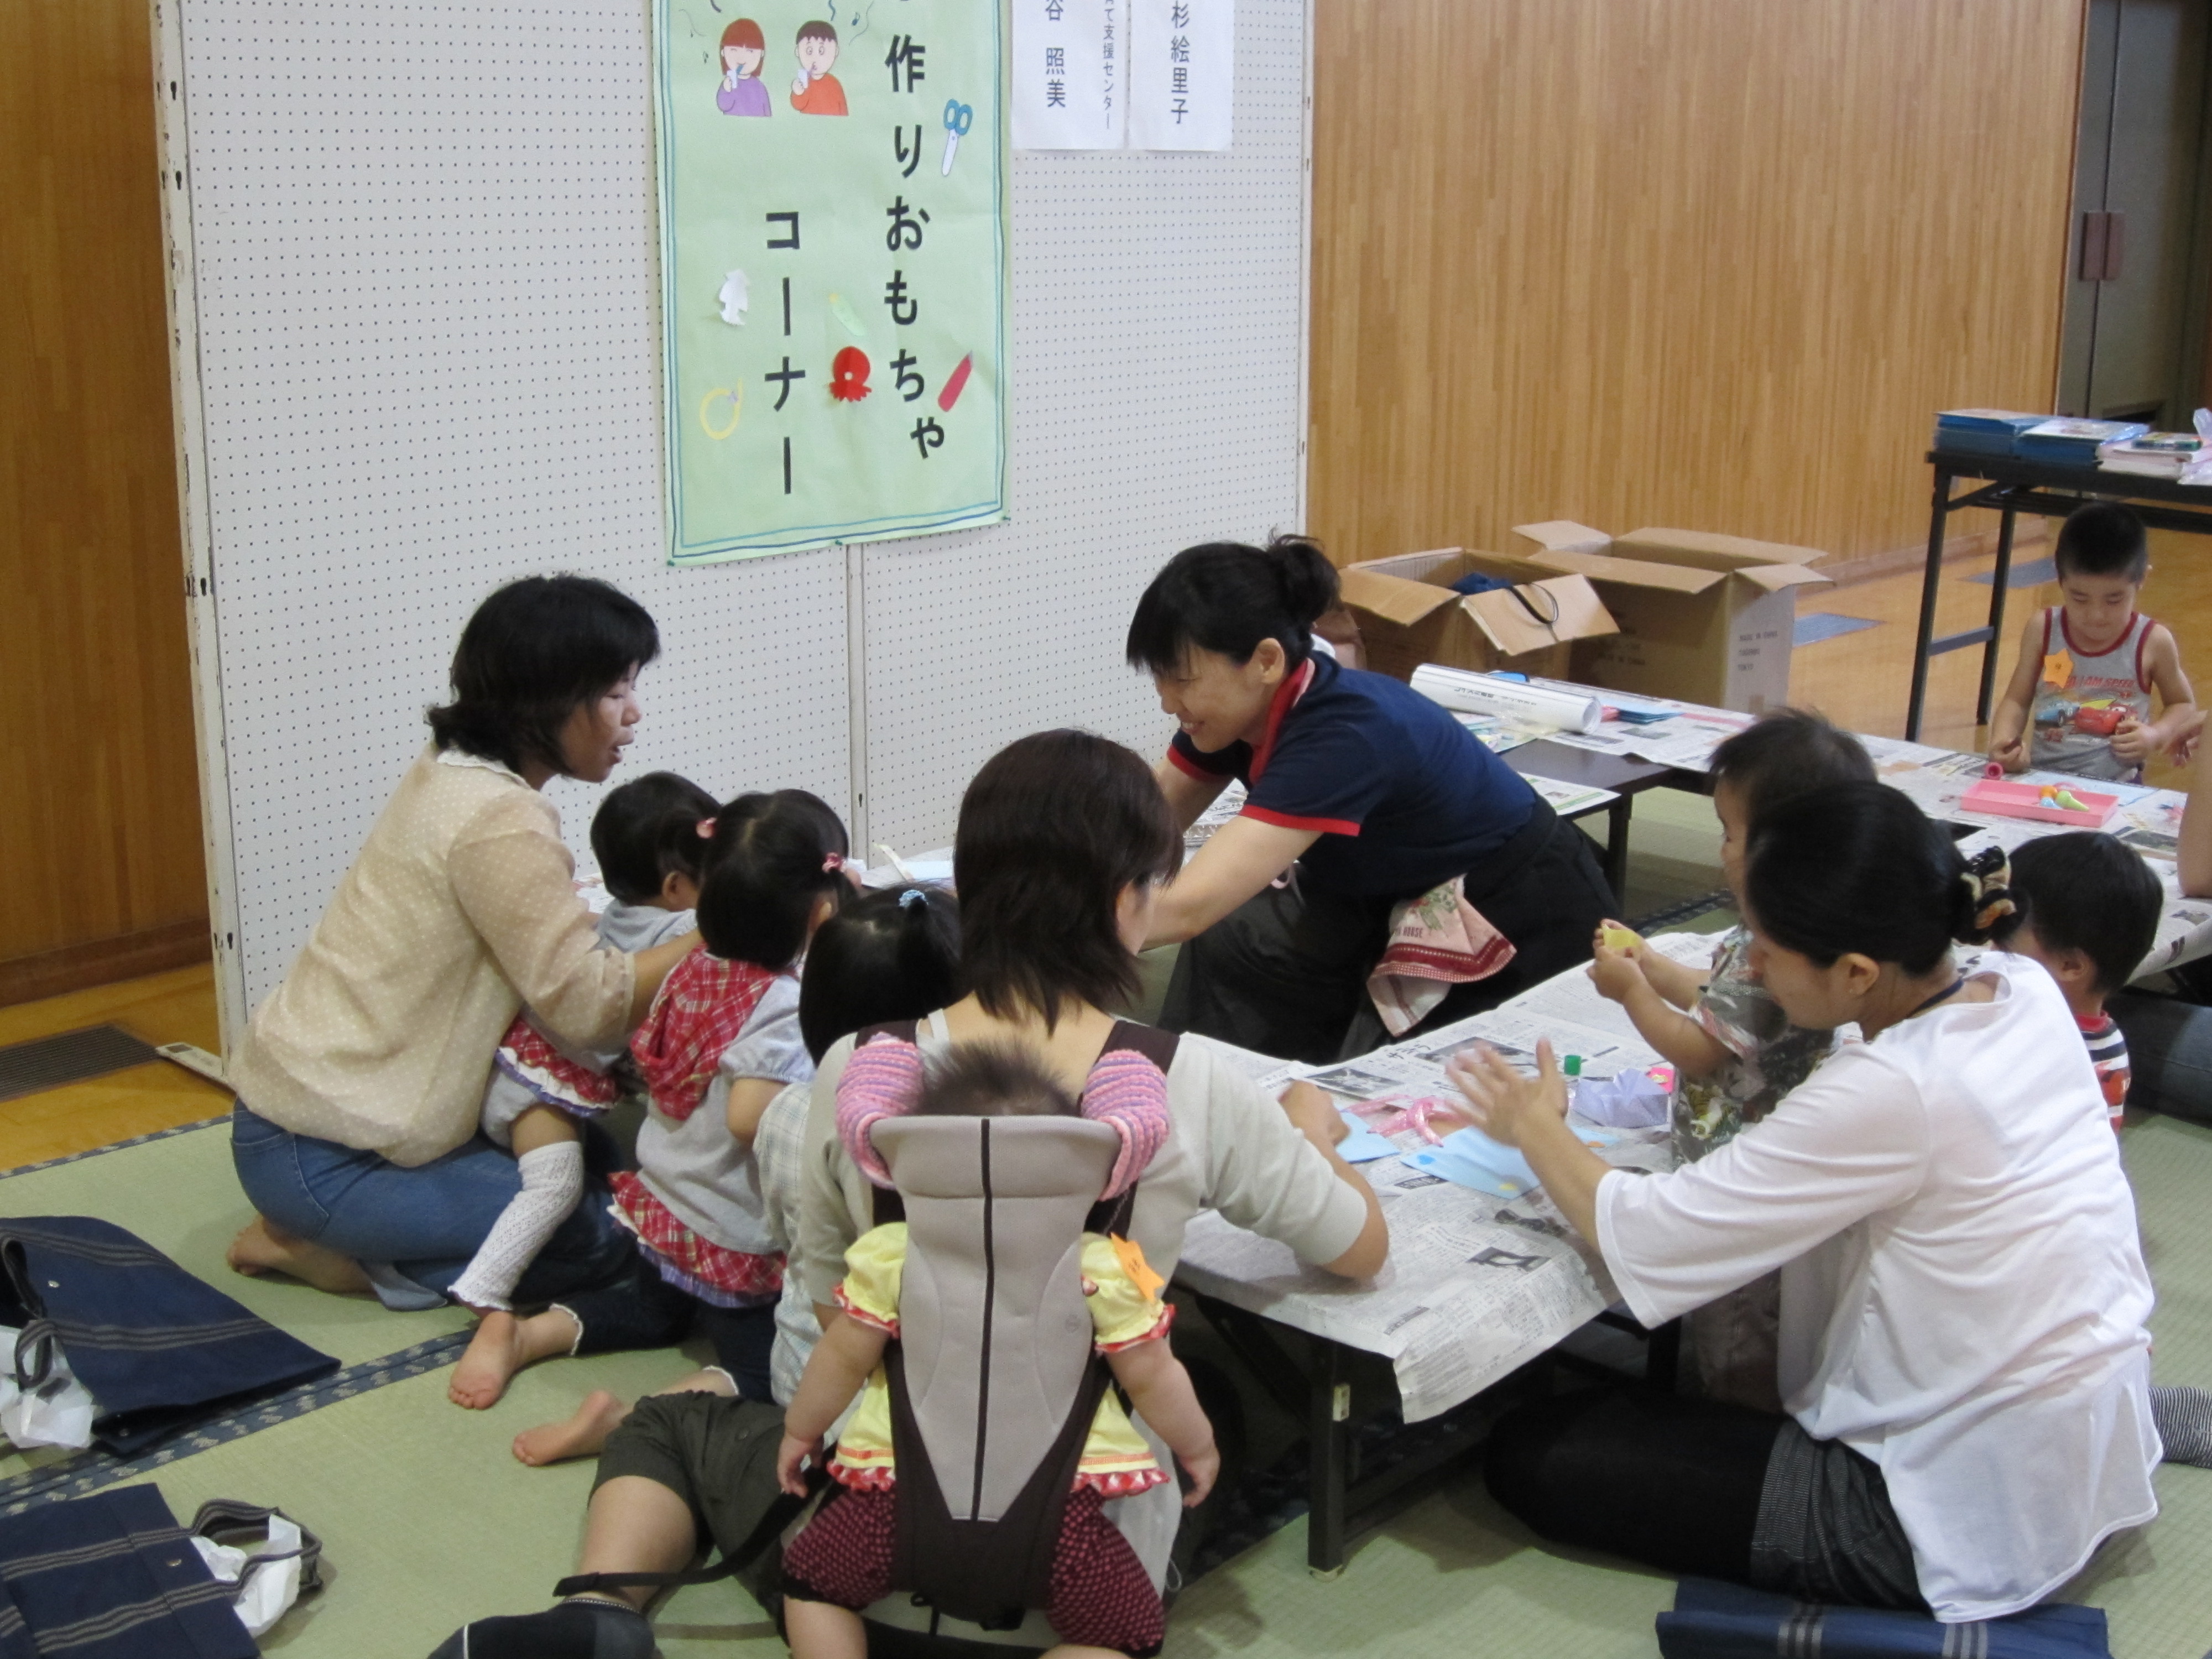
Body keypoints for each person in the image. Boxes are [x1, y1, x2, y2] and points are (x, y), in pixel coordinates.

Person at [1451, 781, 2158, 1624]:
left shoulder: (1893, 1087)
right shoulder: (2019, 986)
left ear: (1857, 973)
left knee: (1533, 1454)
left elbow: (1658, 1234)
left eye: (1766, 950)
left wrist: (1534, 1126)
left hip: (1938, 1510)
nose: (1747, 968)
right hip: (2087, 1439)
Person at [796, 729, 1387, 1638]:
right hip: (1084, 1566)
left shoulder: (856, 1069)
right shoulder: (1185, 1080)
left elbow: (829, 1300)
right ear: (1124, 901)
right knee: (1215, 1406)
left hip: (880, 1536)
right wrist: (1311, 1134)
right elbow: (1358, 1248)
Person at [428, 885, 963, 1659]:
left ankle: (602, 1606)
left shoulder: (793, 1110)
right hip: (1013, 1502)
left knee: (675, 1413)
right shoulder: (1036, 1121)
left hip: (836, 1444)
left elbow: (820, 1300)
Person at [227, 576, 699, 1309]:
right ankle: (336, 1257)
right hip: (326, 1154)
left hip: (309, 1118)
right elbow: (587, 1008)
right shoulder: (499, 819)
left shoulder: (452, 770)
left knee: (614, 1168)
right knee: (614, 1236)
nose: (633, 713)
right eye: (614, 693)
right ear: (548, 702)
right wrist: (722, 927)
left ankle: (361, 1238)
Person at [776, 1041, 1218, 1659]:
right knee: (1128, 1635)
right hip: (1059, 1526)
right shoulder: (1101, 1268)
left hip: (893, 1505)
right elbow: (1151, 1374)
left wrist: (801, 1431)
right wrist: (1198, 1447)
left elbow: (841, 1357)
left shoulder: (890, 1254)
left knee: (809, 1584)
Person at [1129, 536, 1613, 1063]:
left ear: (1265, 661)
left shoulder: (1342, 735)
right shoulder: (1234, 714)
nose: (1167, 702)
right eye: (1159, 678)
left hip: (1514, 912)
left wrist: (1066, 934)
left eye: (1183, 679)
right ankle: (1214, 1084)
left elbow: (1188, 908)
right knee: (1240, 933)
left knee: (1390, 1082)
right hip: (1383, 893)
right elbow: (1139, 832)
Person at [449, 790, 854, 1410]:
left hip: (665, 1201)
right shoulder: (781, 1002)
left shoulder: (689, 967)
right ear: (821, 915)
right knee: (764, 1373)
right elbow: (748, 1117)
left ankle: (527, 1334)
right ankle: (633, 1420)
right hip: (727, 1228)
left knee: (651, 1311)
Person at [1587, 708, 1875, 1409]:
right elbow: (1722, 1000)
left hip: (1742, 1175)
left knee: (1738, 1328)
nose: (1720, 851)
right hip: (1749, 1163)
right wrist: (1651, 963)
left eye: (1729, 833)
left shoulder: (1775, 946)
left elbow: (1700, 1049)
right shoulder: (1775, 935)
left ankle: (1740, 1428)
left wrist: (1631, 993)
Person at [447, 770, 717, 1320]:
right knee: (555, 1186)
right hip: (538, 1088)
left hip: (518, 1062)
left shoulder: (620, 912)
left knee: (583, 1174)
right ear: (674, 889)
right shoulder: (677, 932)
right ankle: (483, 1286)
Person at [1987, 502, 2195, 781]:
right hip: (2041, 779)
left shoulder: (2152, 641)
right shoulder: (2044, 629)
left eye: (2114, 600)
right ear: (2059, 577)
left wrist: (2155, 735)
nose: (2096, 616)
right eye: (2079, 598)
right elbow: (2016, 700)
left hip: (2119, 786)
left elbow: (2182, 704)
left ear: (2142, 579)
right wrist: (2003, 742)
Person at [1991, 831, 2162, 1131]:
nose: (1991, 954)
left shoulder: (2040, 1043)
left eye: (2003, 944)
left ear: (2070, 965)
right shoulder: (2102, 1036)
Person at [789, 20, 847, 114]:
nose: (815, 59)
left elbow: (843, 111)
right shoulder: (804, 83)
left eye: (821, 51)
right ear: (797, 51)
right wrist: (798, 93)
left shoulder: (834, 84)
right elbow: (798, 106)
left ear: (836, 51)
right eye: (809, 51)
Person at [716, 18, 770, 116]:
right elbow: (724, 106)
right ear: (723, 52)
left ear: (762, 54)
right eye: (733, 50)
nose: (742, 58)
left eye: (750, 51)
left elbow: (768, 113)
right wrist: (726, 90)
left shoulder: (760, 87)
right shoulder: (729, 84)